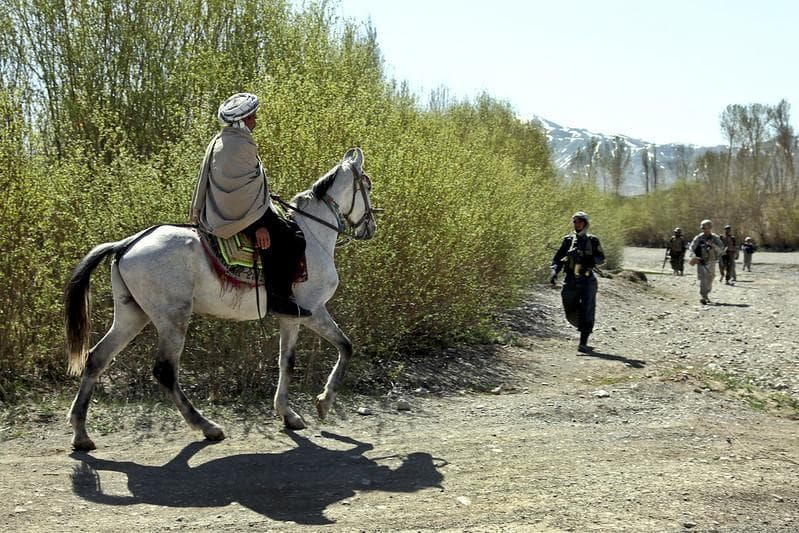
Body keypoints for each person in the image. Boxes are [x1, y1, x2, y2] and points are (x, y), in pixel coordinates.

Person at [190, 92, 311, 317]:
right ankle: (278, 298)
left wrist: (262, 193)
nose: (255, 121)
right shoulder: (238, 146)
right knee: (294, 240)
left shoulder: (222, 140)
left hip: (226, 210)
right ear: (243, 120)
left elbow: (241, 187)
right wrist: (257, 227)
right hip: (241, 216)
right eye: (253, 117)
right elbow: (237, 197)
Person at [550, 211, 605, 353]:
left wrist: (588, 259)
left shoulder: (593, 240)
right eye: (575, 221)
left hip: (587, 280)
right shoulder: (568, 240)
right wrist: (554, 271)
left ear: (585, 223)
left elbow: (601, 259)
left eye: (580, 221)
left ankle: (583, 341)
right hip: (570, 279)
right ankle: (582, 324)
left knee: (588, 308)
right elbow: (557, 259)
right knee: (568, 303)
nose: (577, 224)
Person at [688, 219, 724, 305]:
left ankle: (707, 293)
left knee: (710, 278)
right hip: (701, 261)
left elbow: (721, 249)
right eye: (704, 228)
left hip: (712, 261)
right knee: (703, 279)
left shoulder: (715, 238)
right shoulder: (698, 238)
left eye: (707, 228)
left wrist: (713, 245)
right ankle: (704, 296)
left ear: (710, 228)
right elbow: (691, 248)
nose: (705, 230)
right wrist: (693, 256)